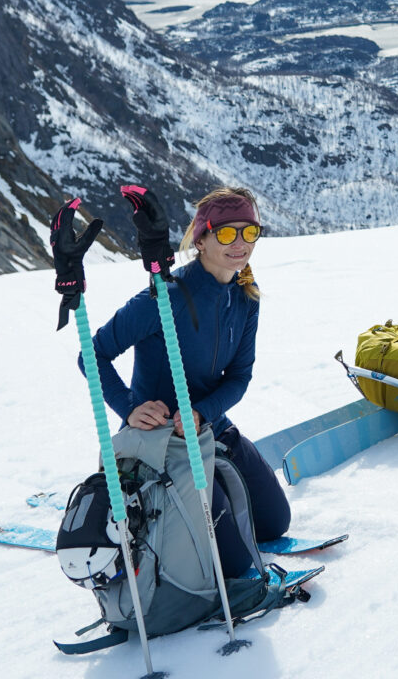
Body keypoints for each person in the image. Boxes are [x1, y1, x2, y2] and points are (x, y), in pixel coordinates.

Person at [87, 186, 290, 575]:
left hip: (211, 429)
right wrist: (130, 408)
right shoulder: (165, 297)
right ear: (202, 238)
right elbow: (92, 354)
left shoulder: (245, 298)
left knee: (274, 523)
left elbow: (240, 377)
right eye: (227, 233)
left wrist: (202, 412)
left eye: (250, 232)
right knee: (234, 562)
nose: (240, 244)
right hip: (163, 443)